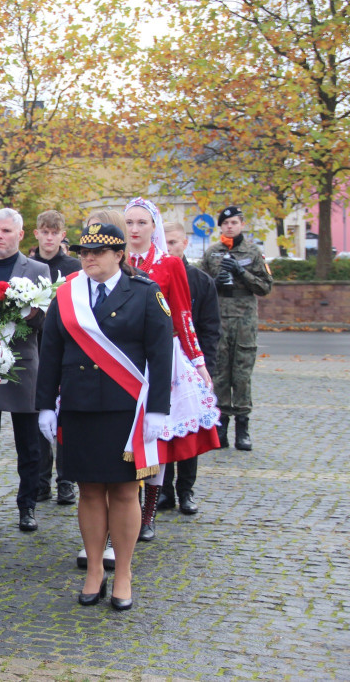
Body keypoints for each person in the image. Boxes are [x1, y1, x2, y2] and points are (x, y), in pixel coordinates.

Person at [36, 221, 173, 611]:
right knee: (90, 490)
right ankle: (94, 569)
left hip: (125, 409)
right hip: (79, 408)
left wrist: (158, 410)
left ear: (119, 255)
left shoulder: (145, 293)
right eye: (84, 252)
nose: (89, 258)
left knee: (126, 491)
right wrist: (45, 405)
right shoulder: (68, 294)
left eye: (98, 252)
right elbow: (51, 352)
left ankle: (124, 572)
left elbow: (161, 355)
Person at [123, 198, 218, 541]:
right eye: (129, 223)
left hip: (162, 359)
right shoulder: (116, 261)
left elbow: (183, 315)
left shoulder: (169, 264)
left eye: (142, 223)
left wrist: (198, 362)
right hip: (124, 359)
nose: (135, 229)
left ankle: (148, 514)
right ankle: (126, 510)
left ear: (154, 227)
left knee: (156, 437)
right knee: (125, 437)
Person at [0, 208, 51, 532]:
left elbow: (47, 321)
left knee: (28, 443)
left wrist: (27, 311)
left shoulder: (38, 269)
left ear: (20, 234)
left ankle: (27, 506)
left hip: (22, 363)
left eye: (5, 231)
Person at [199, 206, 272, 451]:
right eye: (226, 223)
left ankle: (243, 426)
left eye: (234, 222)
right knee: (219, 372)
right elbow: (200, 286)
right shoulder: (212, 253)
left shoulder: (253, 252)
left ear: (242, 224)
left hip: (244, 320)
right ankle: (220, 427)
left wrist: (242, 273)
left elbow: (265, 286)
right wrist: (215, 283)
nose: (230, 227)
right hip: (219, 317)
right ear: (221, 226)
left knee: (241, 374)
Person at [161, 221, 220, 513]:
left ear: (185, 244)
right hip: (162, 361)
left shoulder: (200, 280)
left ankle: (186, 490)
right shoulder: (153, 274)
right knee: (164, 426)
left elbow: (209, 328)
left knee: (188, 429)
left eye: (173, 242)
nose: (169, 248)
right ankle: (163, 490)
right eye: (165, 243)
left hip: (190, 363)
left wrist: (204, 365)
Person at [30, 210, 81, 504]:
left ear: (62, 236)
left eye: (54, 233)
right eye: (45, 232)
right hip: (36, 347)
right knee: (40, 412)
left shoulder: (74, 267)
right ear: (36, 233)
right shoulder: (29, 266)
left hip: (67, 347)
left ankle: (66, 480)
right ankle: (41, 480)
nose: (49, 238)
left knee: (66, 416)